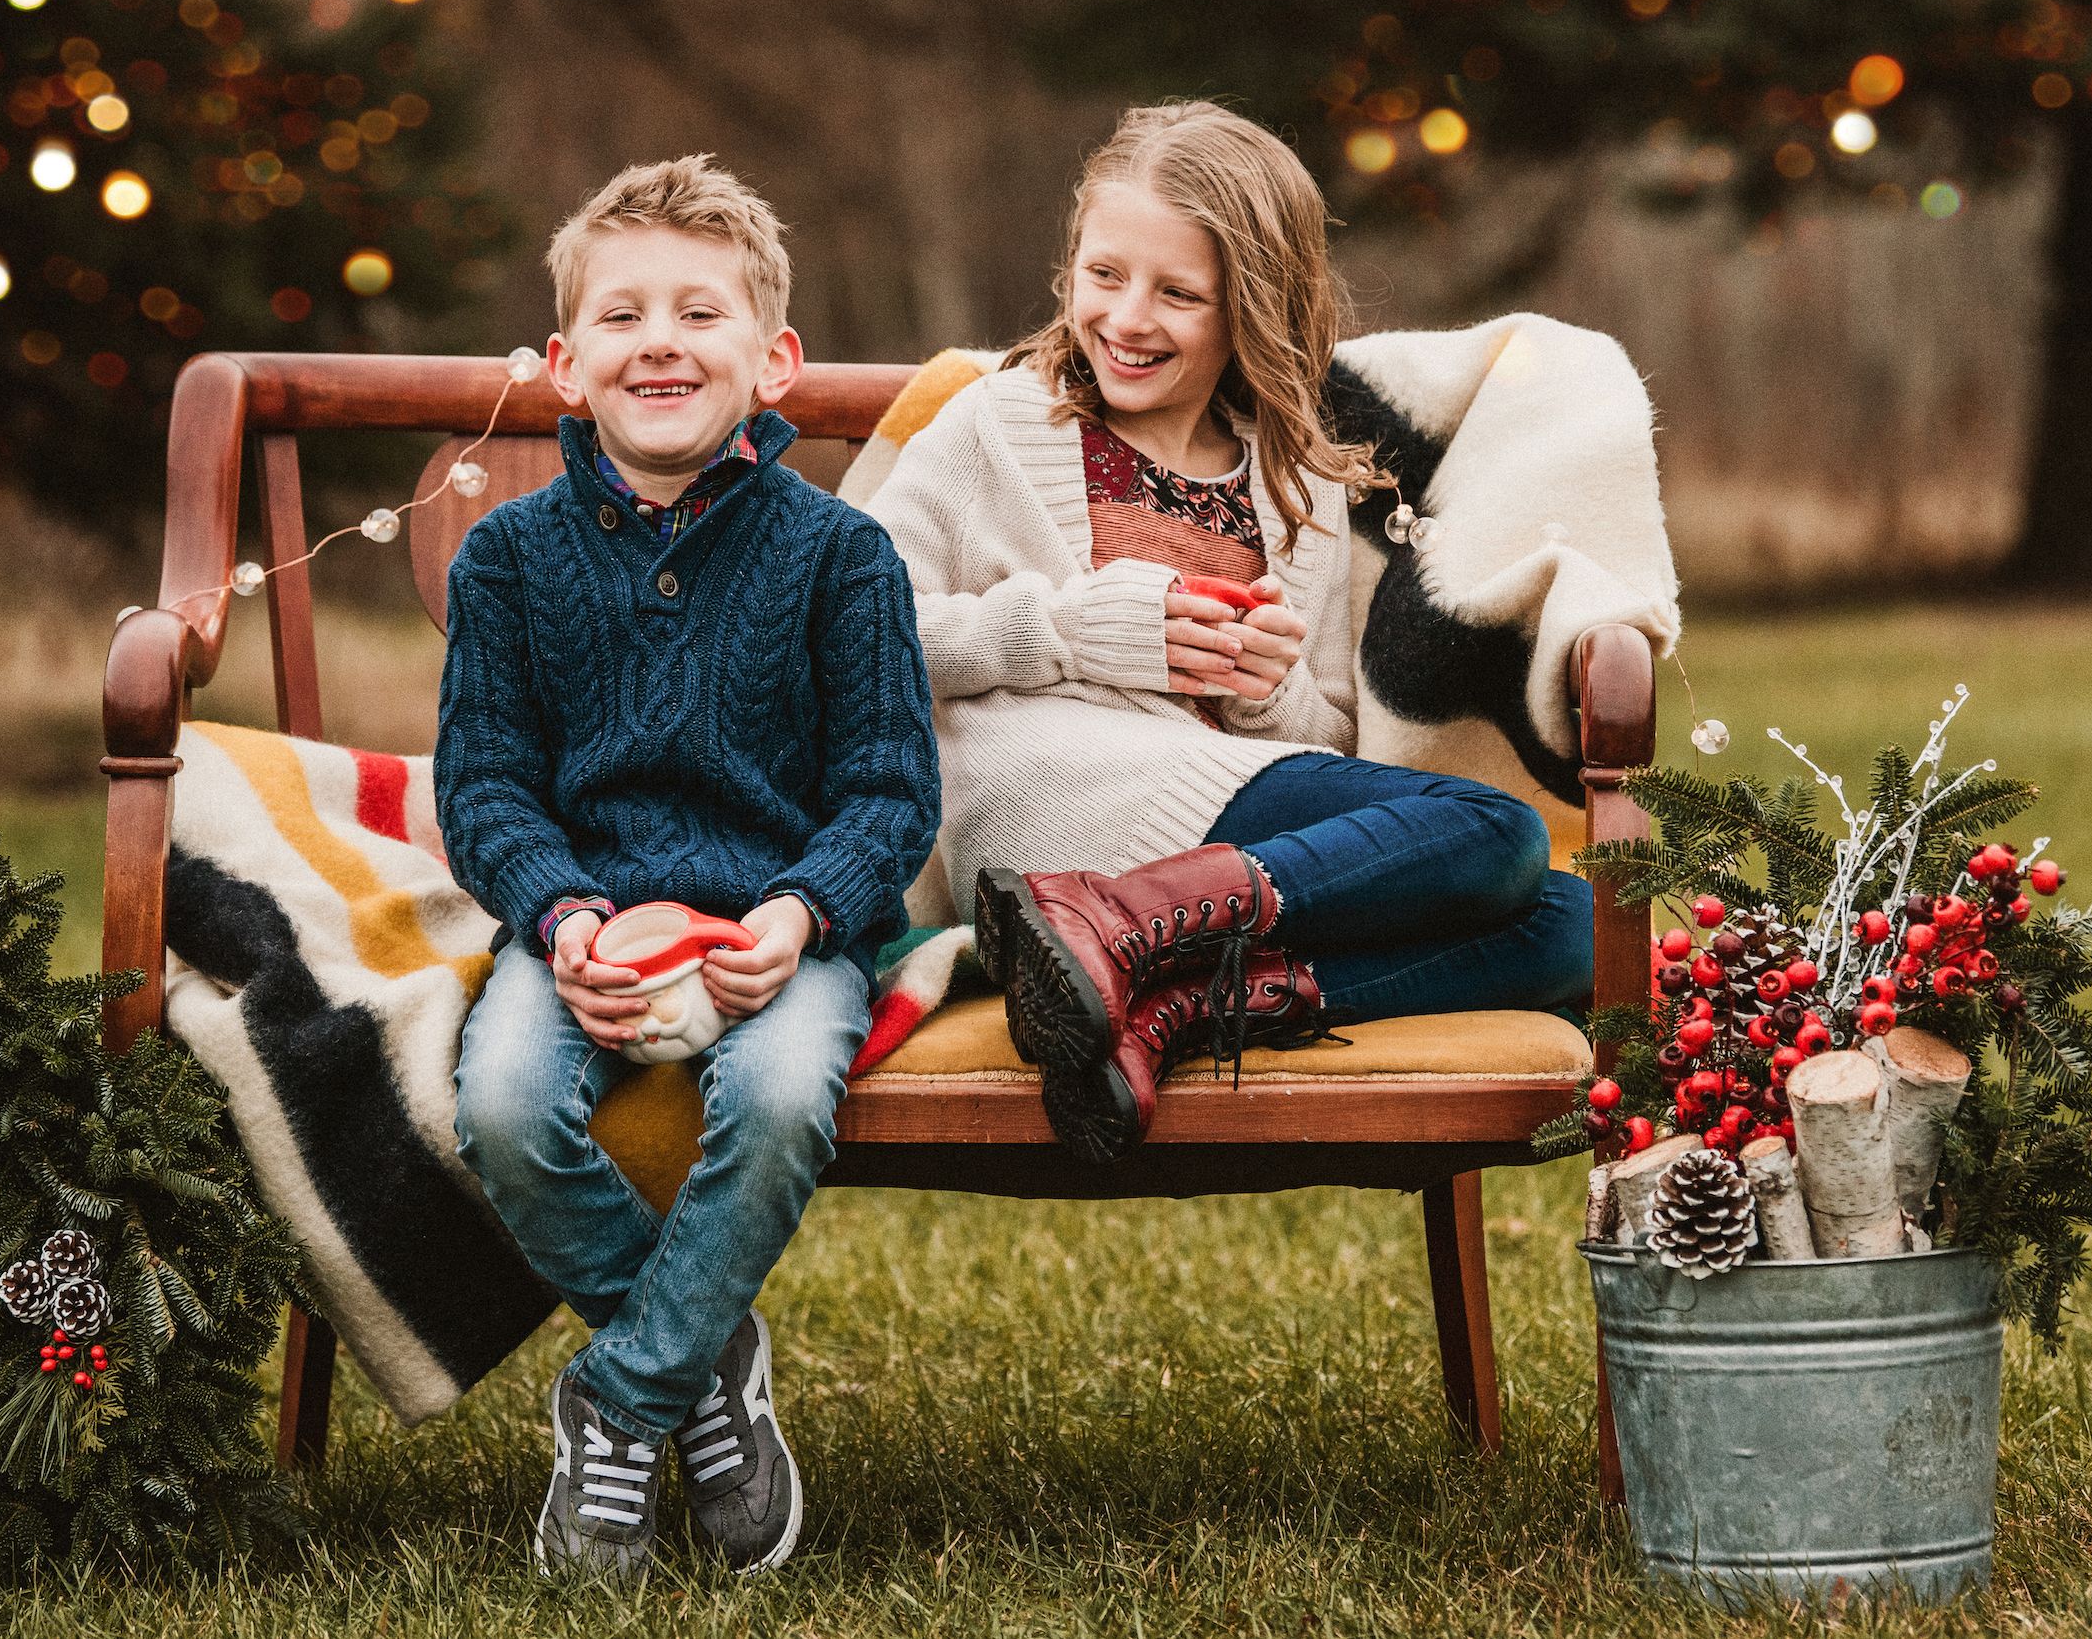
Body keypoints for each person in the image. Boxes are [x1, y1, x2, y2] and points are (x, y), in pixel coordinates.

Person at [861, 103, 1592, 1162]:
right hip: (1054, 800)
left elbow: (1322, 739)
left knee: (1565, 929)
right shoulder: (997, 425)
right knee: (1503, 837)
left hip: (1217, 820)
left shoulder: (1289, 482)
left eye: (1177, 294)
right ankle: (1102, 920)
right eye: (1103, 275)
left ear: (1249, 308)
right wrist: (1077, 628)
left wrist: (1265, 689)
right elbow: (854, 634)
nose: (1127, 317)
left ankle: (1168, 1007)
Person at [438, 156, 939, 1577]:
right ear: (565, 367)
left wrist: (799, 910)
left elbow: (892, 789)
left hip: (783, 933)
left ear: (773, 359)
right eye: (621, 314)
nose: (660, 338)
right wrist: (562, 910)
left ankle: (621, 1395)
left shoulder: (844, 559)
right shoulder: (508, 564)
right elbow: (483, 786)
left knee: (782, 1095)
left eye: (700, 311)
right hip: (581, 931)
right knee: (505, 1100)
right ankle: (710, 1365)